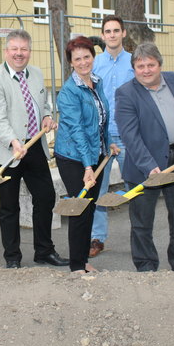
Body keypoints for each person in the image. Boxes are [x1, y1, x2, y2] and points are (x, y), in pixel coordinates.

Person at [116, 42, 174, 272]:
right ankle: (146, 267)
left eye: (151, 64)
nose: (146, 70)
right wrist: (149, 166)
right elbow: (130, 136)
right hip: (144, 167)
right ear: (134, 68)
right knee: (142, 221)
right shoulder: (126, 93)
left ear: (160, 64)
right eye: (140, 66)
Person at [0, 29, 69, 269]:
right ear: (6, 51)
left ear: (29, 51)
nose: (19, 54)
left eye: (24, 49)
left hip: (34, 146)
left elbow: (44, 102)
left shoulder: (36, 74)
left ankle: (44, 251)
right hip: (7, 151)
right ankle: (13, 257)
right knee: (9, 205)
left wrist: (47, 116)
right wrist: (13, 141)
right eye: (14, 49)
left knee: (46, 196)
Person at [55, 36, 120, 273]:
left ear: (93, 57)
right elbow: (77, 131)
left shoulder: (96, 81)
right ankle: (76, 267)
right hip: (74, 157)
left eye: (87, 56)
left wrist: (110, 142)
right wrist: (87, 167)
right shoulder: (68, 92)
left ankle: (82, 260)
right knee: (79, 208)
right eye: (77, 59)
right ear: (71, 63)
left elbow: (102, 118)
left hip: (96, 154)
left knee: (91, 207)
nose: (83, 62)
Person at [89, 15, 135, 258]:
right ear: (103, 35)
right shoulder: (94, 63)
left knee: (135, 188)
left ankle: (139, 236)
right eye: (108, 31)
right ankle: (97, 238)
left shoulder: (134, 62)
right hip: (103, 137)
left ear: (123, 33)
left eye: (116, 30)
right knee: (99, 190)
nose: (112, 35)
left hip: (129, 135)